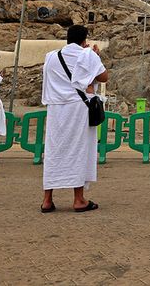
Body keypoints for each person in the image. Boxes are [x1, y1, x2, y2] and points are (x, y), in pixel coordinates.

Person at [40, 25, 108, 214]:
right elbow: (104, 77)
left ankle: (47, 199)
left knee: (53, 150)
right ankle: (78, 199)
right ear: (84, 39)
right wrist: (95, 57)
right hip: (78, 108)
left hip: (56, 108)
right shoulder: (87, 55)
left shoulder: (51, 56)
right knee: (78, 150)